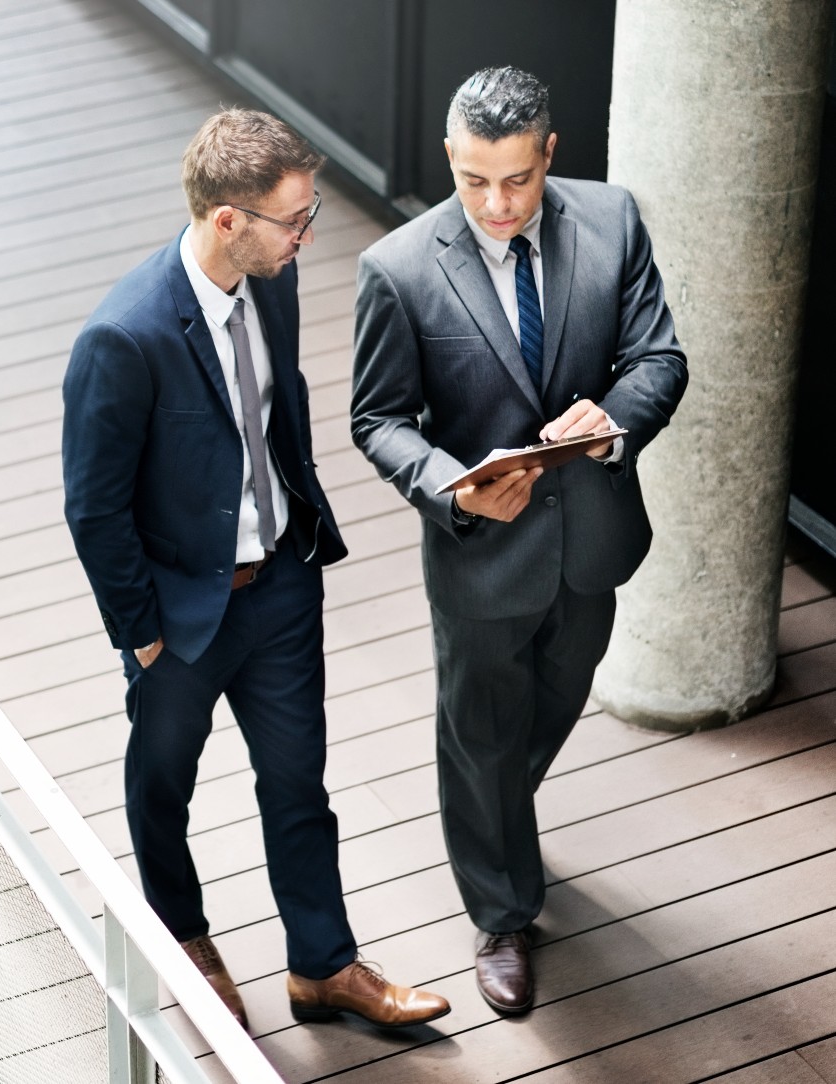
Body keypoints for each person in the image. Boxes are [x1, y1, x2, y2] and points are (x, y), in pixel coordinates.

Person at [62, 108, 449, 1032]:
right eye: (295, 219)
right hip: (180, 619)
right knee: (163, 789)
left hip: (279, 587)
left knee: (299, 789)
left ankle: (323, 967)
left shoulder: (271, 280)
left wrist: (299, 546)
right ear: (228, 220)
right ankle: (185, 943)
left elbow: (279, 417)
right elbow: (94, 507)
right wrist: (144, 635)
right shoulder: (123, 338)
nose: (307, 235)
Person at [351, 67, 688, 1015]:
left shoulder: (614, 221)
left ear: (550, 153)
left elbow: (660, 356)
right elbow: (380, 420)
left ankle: (489, 810)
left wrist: (613, 418)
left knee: (549, 701)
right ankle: (501, 911)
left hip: (592, 540)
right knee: (480, 728)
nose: (496, 206)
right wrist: (450, 491)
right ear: (450, 159)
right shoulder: (400, 269)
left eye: (517, 180)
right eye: (473, 182)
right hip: (479, 553)